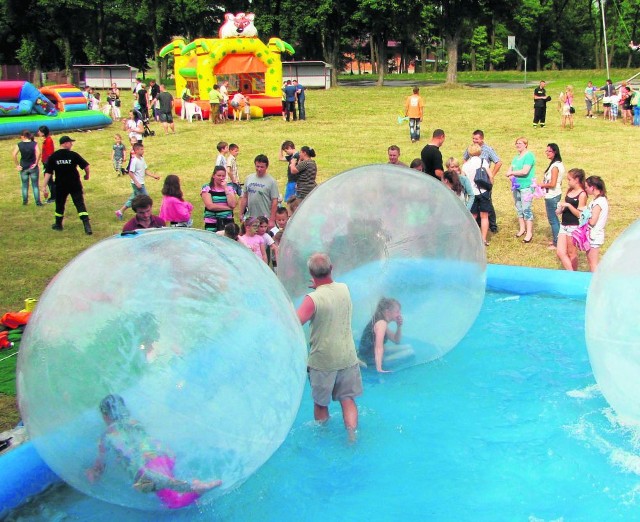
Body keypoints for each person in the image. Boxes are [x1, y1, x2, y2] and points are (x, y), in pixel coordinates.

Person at [86, 394, 221, 510]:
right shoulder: (133, 422)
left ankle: (195, 489)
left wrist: (91, 474)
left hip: (145, 466)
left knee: (169, 500)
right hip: (163, 454)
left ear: (105, 416)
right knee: (153, 484)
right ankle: (188, 488)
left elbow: (99, 467)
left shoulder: (107, 435)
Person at [296, 253, 362, 440]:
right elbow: (331, 292)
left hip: (323, 360)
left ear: (310, 273)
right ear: (331, 268)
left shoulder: (312, 299)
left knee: (320, 403)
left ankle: (323, 437)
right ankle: (351, 435)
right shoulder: (344, 288)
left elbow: (295, 321)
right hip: (347, 356)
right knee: (348, 399)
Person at [42, 135, 92, 234]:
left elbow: (48, 172)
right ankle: (87, 226)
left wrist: (44, 186)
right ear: (64, 143)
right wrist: (87, 175)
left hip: (61, 185)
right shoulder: (73, 155)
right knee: (79, 204)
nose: (71, 144)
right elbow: (86, 166)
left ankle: (58, 225)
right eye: (70, 142)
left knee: (60, 204)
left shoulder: (54, 156)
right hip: (74, 184)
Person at [462, 130, 502, 233]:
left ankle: (493, 225)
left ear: (482, 139)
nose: (474, 141)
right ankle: (478, 226)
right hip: (473, 182)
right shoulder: (470, 148)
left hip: (483, 182)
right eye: (473, 138)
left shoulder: (488, 150)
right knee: (475, 207)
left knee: (488, 205)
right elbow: (465, 159)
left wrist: (491, 175)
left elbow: (498, 162)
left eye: (477, 139)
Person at [358, 298, 413, 373]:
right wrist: (379, 368)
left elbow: (396, 340)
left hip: (367, 353)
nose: (399, 314)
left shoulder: (381, 321)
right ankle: (373, 365)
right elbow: (378, 347)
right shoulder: (381, 324)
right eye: (397, 312)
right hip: (368, 358)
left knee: (408, 347)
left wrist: (399, 326)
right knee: (410, 352)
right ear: (387, 312)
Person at [115, 143, 160, 220]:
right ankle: (149, 215)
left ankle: (120, 211)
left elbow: (145, 171)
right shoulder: (134, 160)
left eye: (143, 149)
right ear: (136, 150)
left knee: (133, 198)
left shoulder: (142, 159)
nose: (143, 151)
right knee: (146, 199)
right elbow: (130, 172)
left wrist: (154, 176)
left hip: (141, 183)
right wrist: (136, 182)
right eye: (141, 149)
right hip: (137, 184)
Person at [555, 168, 587, 271]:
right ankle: (571, 272)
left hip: (573, 226)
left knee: (571, 253)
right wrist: (560, 209)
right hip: (564, 225)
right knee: (560, 252)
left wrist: (568, 205)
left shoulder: (582, 194)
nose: (568, 182)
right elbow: (565, 205)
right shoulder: (570, 191)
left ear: (576, 179)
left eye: (569, 179)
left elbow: (579, 214)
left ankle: (573, 274)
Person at [462, 144, 493, 246]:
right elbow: (491, 176)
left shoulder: (465, 165)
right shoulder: (483, 162)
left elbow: (463, 180)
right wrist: (490, 187)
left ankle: (469, 238)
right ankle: (483, 239)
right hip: (483, 191)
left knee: (472, 216)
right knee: (484, 216)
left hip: (472, 194)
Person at [505, 137, 536, 243]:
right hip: (516, 186)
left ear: (526, 144)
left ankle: (529, 232)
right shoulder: (516, 158)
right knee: (519, 208)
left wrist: (512, 173)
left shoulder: (529, 156)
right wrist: (509, 174)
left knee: (526, 209)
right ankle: (522, 229)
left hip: (526, 187)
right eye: (517, 143)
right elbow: (510, 169)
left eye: (520, 143)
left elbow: (525, 171)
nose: (518, 145)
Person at [239, 154, 279, 228]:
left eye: (262, 167)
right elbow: (245, 197)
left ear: (266, 167)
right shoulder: (249, 178)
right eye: (257, 166)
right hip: (250, 217)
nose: (259, 169)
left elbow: (274, 201)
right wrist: (241, 213)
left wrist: (272, 220)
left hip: (264, 218)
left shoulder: (271, 181)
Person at [538, 143, 565, 250]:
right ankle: (556, 239)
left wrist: (541, 185)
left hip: (552, 195)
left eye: (549, 151)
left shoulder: (555, 167)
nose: (547, 153)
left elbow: (552, 183)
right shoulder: (558, 164)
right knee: (554, 219)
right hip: (555, 193)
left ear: (555, 152)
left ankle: (557, 243)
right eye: (546, 151)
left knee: (553, 219)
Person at [584, 176, 608, 272]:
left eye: (586, 187)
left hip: (594, 235)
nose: (586, 189)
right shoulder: (598, 200)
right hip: (593, 235)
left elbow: (593, 221)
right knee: (591, 261)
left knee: (593, 263)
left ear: (592, 187)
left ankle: (595, 283)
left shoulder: (598, 202)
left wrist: (584, 216)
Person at [201, 165, 237, 232]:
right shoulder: (207, 188)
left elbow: (232, 204)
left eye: (223, 176)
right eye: (219, 175)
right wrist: (227, 208)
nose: (221, 178)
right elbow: (210, 206)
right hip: (212, 221)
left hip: (227, 221)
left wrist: (226, 189)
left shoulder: (229, 188)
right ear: (213, 176)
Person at [12, 130, 42, 206]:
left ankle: (25, 201)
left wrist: (17, 165)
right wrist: (36, 163)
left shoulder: (19, 144)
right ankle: (38, 202)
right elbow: (39, 153)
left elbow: (14, 154)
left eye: (21, 137)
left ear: (23, 136)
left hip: (23, 167)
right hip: (33, 167)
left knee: (25, 185)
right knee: (35, 185)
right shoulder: (34, 144)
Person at [38, 125, 55, 203]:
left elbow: (49, 153)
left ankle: (54, 197)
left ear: (43, 132)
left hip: (48, 163)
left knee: (49, 180)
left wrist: (48, 164)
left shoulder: (48, 140)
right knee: (49, 180)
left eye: (40, 131)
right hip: (46, 162)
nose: (38, 133)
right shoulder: (46, 139)